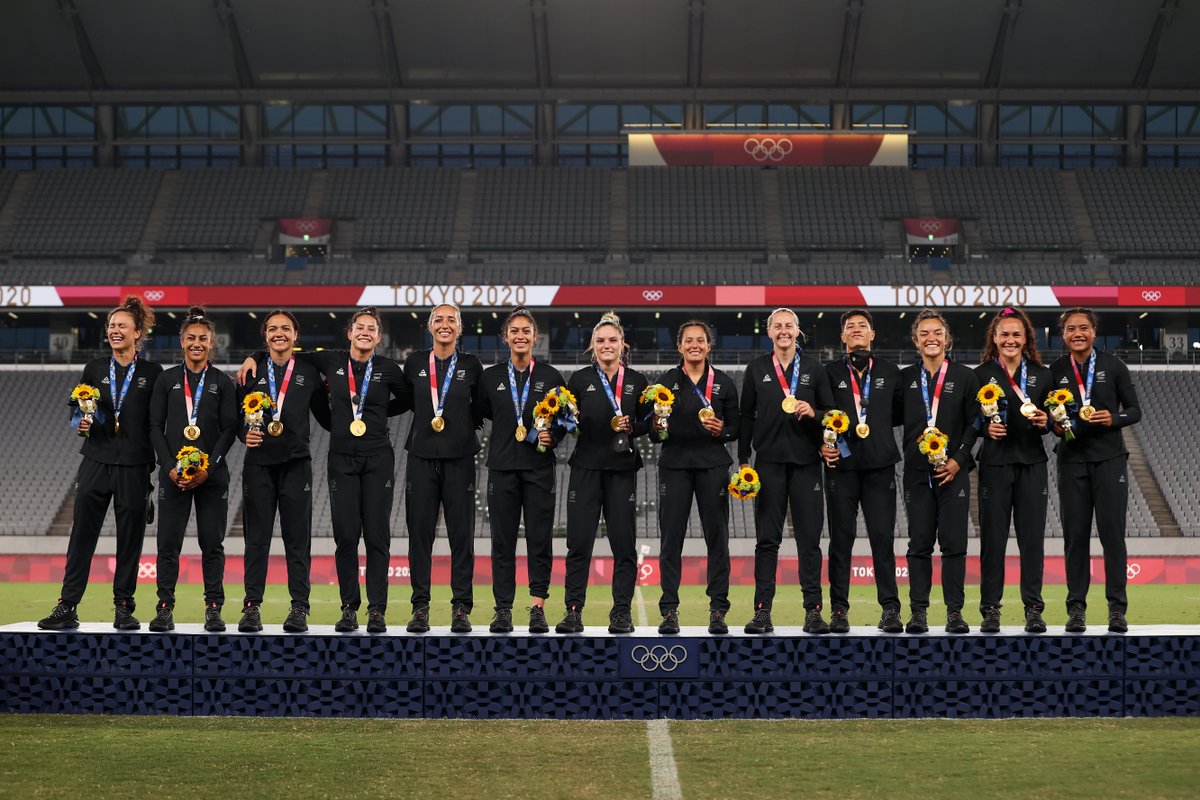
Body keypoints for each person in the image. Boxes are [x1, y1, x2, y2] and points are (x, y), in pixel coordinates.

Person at [240, 306, 411, 633]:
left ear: (378, 336)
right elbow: (283, 346)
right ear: (349, 333)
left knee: (377, 537)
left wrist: (374, 417)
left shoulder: (389, 369)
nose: (365, 332)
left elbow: (406, 401)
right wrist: (254, 355)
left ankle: (376, 610)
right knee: (346, 538)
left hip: (378, 457)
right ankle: (349, 608)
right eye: (359, 326)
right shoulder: (328, 360)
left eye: (371, 328)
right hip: (340, 458)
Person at [39, 296, 162, 631]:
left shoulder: (153, 373)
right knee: (82, 535)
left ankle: (123, 607)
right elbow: (78, 410)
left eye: (122, 325)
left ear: (138, 332)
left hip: (136, 465)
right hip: (95, 460)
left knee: (130, 538)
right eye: (111, 326)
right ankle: (67, 605)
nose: (115, 330)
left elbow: (158, 422)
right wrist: (80, 422)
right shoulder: (94, 368)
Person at [737, 308, 833, 635]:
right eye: (777, 326)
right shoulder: (756, 369)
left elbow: (831, 414)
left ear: (797, 330)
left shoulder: (814, 369)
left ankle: (813, 612)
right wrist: (744, 460)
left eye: (788, 326)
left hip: (807, 463)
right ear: (769, 332)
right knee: (767, 541)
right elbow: (746, 416)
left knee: (809, 541)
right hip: (767, 465)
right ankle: (762, 612)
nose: (783, 331)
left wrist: (815, 412)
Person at [236, 309, 331, 634]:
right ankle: (252, 607)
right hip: (258, 465)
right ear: (265, 336)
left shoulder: (308, 369)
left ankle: (299, 608)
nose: (279, 333)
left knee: (297, 541)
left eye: (286, 328)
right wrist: (242, 434)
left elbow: (328, 419)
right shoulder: (251, 371)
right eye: (273, 329)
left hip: (296, 464)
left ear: (295, 335)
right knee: (256, 541)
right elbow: (236, 418)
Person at [1049, 307, 1141, 633]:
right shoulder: (1056, 369)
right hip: (1071, 461)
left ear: (1094, 331)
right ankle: (1076, 609)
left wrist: (1112, 419)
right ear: (1063, 334)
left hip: (1109, 460)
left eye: (1084, 327)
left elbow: (1135, 411)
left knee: (1112, 537)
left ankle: (1117, 609)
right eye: (1071, 328)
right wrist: (1055, 428)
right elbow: (1049, 419)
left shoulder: (1113, 365)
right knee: (1075, 539)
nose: (1078, 333)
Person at [558, 311, 650, 635]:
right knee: (578, 544)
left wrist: (634, 426)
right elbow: (569, 425)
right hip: (584, 469)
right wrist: (569, 420)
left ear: (623, 344)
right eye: (601, 340)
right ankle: (573, 611)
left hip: (622, 470)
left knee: (623, 545)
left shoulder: (638, 381)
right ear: (592, 346)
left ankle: (621, 613)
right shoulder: (579, 379)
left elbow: (651, 424)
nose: (607, 345)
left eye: (613, 340)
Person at [148, 307, 238, 633]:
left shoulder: (223, 383)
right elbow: (155, 426)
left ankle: (213, 609)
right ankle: (164, 608)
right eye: (191, 338)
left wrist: (209, 469)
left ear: (212, 343)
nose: (196, 343)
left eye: (203, 338)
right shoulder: (166, 380)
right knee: (167, 545)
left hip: (211, 477)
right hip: (173, 478)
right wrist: (170, 467)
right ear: (182, 341)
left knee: (211, 544)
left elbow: (229, 430)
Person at [478, 307, 567, 634]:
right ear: (505, 337)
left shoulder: (551, 377)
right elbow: (483, 413)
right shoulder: (489, 377)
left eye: (525, 331)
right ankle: (503, 609)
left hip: (539, 468)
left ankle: (537, 607)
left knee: (539, 540)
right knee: (502, 542)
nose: (520, 335)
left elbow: (564, 423)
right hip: (501, 468)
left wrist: (551, 435)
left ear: (535, 337)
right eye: (513, 330)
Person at [820, 309, 905, 635]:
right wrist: (822, 445)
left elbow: (898, 414)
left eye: (862, 326)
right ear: (842, 337)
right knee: (841, 541)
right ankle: (839, 610)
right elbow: (821, 414)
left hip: (880, 466)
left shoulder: (889, 371)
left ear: (873, 334)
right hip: (841, 466)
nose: (856, 330)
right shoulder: (828, 372)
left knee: (883, 541)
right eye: (850, 327)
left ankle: (890, 609)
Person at [895, 309, 980, 634]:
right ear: (916, 341)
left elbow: (976, 422)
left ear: (947, 339)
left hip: (953, 472)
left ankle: (955, 612)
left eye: (937, 333)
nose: (931, 338)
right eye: (925, 334)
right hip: (917, 473)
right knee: (919, 544)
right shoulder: (904, 378)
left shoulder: (964, 376)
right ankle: (918, 613)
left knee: (954, 544)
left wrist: (959, 459)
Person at [401, 303, 484, 634]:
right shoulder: (415, 363)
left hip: (460, 458)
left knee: (461, 537)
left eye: (452, 320)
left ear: (460, 328)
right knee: (420, 537)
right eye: (439, 319)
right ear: (430, 325)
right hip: (421, 457)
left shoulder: (472, 365)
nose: (445, 324)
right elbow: (397, 398)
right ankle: (420, 608)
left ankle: (461, 608)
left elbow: (483, 406)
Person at [655, 320, 739, 635]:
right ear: (679, 346)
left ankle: (718, 610)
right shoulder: (665, 382)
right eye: (688, 340)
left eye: (700, 340)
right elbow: (655, 433)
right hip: (674, 466)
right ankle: (669, 611)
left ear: (708, 345)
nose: (694, 345)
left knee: (717, 541)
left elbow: (736, 428)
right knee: (670, 541)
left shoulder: (725, 383)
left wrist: (724, 431)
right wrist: (656, 425)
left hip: (713, 467)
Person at [974, 307, 1053, 634]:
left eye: (1016, 334)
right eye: (1004, 334)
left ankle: (1033, 608)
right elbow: (969, 422)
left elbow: (1053, 420)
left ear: (1026, 339)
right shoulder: (978, 375)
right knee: (993, 541)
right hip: (994, 465)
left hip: (1032, 464)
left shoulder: (1042, 375)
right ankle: (991, 609)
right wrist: (984, 428)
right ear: (994, 338)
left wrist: (1046, 421)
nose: (1010, 339)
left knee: (1032, 541)